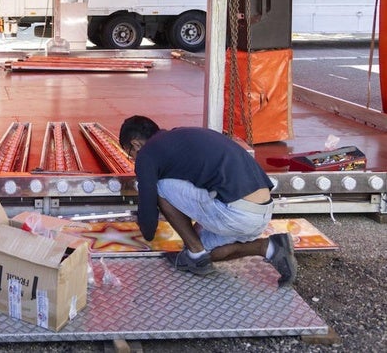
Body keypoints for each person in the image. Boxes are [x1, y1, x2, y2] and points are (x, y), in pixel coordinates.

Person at [119, 115, 297, 287]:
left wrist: (147, 233)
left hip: (235, 212)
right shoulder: (182, 137)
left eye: (130, 154)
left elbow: (148, 207)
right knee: (209, 253)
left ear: (136, 144)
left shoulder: (148, 153)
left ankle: (194, 254)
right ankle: (270, 247)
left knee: (160, 186)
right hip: (261, 213)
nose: (133, 159)